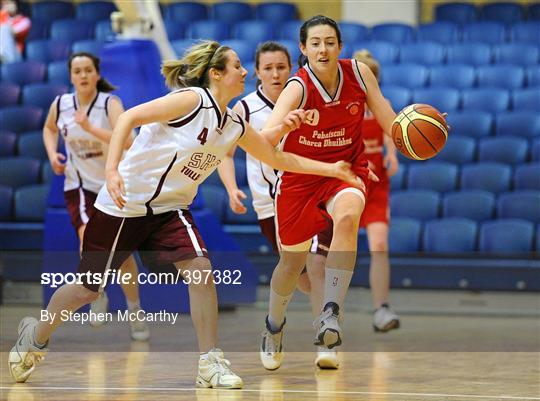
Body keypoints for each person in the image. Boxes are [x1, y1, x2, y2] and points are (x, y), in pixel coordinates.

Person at [10, 40, 363, 389]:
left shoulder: (233, 122)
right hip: (125, 204)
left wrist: (333, 170)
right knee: (87, 290)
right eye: (237, 65)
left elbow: (275, 157)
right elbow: (129, 118)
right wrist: (113, 170)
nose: (243, 72)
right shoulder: (192, 100)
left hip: (169, 209)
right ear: (215, 74)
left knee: (201, 270)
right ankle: (36, 336)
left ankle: (209, 362)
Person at [258, 15, 397, 371]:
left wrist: (417, 129)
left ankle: (330, 313)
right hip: (299, 178)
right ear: (303, 49)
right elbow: (264, 141)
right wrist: (284, 125)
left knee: (349, 215)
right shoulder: (297, 87)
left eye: (330, 42)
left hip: (344, 171)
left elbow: (390, 122)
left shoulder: (360, 74)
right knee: (291, 264)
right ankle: (274, 326)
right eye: (315, 43)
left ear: (340, 46)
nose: (323, 49)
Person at [296, 49, 401, 369]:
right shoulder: (341, 104)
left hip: (376, 183)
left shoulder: (379, 105)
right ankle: (329, 311)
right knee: (323, 256)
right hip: (344, 182)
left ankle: (381, 308)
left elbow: (395, 127)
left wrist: (395, 152)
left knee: (380, 244)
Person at [42, 52, 149, 341]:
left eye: (88, 70)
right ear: (71, 76)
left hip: (114, 183)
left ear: (97, 74)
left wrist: (90, 129)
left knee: (123, 256)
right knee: (86, 235)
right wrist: (53, 155)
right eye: (77, 71)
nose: (83, 75)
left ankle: (134, 309)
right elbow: (49, 129)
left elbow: (130, 141)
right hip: (80, 185)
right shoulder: (61, 104)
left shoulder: (110, 104)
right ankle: (96, 291)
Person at [217, 41, 292, 253]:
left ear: (291, 69)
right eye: (268, 68)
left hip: (304, 197)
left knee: (316, 264)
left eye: (281, 67)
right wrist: (232, 189)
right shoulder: (245, 108)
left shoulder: (303, 99)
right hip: (269, 204)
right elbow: (225, 155)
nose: (275, 74)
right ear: (258, 72)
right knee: (298, 272)